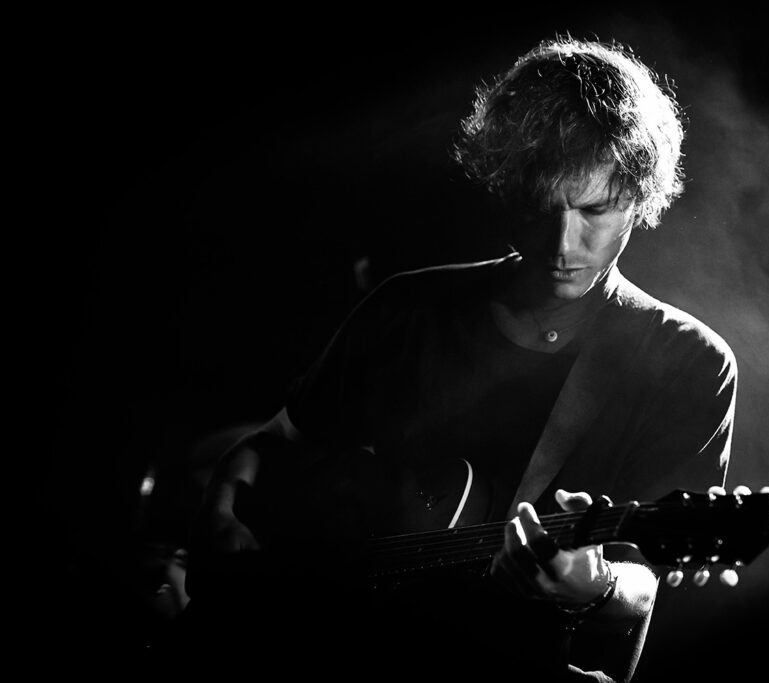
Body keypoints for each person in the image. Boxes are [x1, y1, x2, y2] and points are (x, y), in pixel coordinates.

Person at [186, 38, 737, 682]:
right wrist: (220, 509)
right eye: (541, 208)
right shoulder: (408, 307)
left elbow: (643, 581)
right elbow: (276, 441)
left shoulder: (688, 362)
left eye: (595, 210)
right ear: (505, 188)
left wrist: (598, 585)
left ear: (640, 199)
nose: (564, 243)